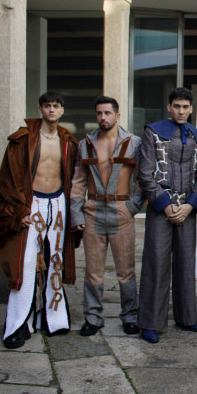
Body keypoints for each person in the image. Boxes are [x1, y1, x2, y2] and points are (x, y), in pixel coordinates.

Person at [0, 92, 79, 349]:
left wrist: (77, 213)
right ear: (40, 109)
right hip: (32, 203)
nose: (51, 110)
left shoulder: (68, 141)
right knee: (24, 263)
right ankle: (17, 326)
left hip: (58, 203)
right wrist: (21, 209)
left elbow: (76, 180)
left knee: (55, 261)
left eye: (56, 106)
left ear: (61, 111)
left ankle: (53, 320)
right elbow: (7, 179)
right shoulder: (23, 139)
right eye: (47, 105)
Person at [71, 96, 145, 337]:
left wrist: (132, 207)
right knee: (93, 270)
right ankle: (92, 318)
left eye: (107, 113)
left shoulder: (134, 143)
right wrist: (76, 213)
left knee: (126, 271)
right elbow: (78, 181)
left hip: (121, 211)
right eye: (99, 113)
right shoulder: (86, 143)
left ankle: (130, 317)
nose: (103, 117)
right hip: (92, 212)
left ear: (117, 115)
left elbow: (144, 180)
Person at [137, 88, 197, 343]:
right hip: (160, 208)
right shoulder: (152, 132)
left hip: (187, 209)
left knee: (186, 262)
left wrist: (190, 205)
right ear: (169, 107)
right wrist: (165, 205)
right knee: (156, 262)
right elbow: (145, 173)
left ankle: (187, 317)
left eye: (185, 107)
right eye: (176, 106)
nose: (181, 111)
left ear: (191, 109)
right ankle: (150, 322)